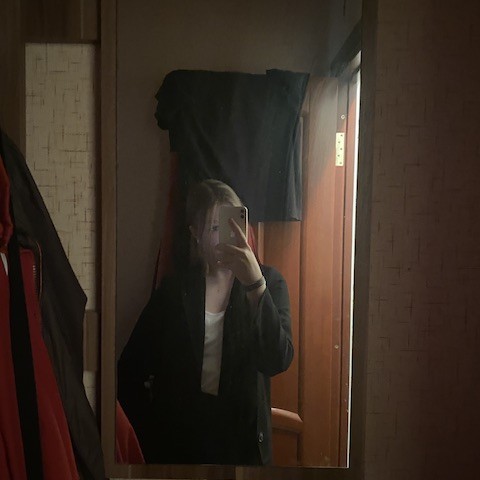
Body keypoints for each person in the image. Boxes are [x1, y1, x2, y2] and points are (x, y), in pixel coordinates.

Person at [117, 179, 293, 465]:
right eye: (214, 228)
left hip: (243, 445)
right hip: (180, 445)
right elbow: (129, 371)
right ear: (195, 234)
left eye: (234, 224)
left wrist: (255, 285)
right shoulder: (175, 292)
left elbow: (277, 359)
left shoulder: (269, 283)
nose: (227, 236)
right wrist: (151, 433)